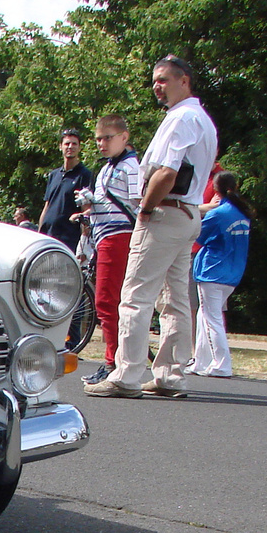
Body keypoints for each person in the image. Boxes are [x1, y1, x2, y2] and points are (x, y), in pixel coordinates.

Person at [85, 54, 217, 399]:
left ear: (183, 80)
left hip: (166, 213)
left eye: (164, 79)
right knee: (175, 300)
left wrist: (144, 208)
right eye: (155, 80)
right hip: (187, 214)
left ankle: (126, 374)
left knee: (135, 296)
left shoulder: (181, 118)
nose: (157, 86)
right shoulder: (202, 119)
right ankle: (171, 375)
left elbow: (167, 172)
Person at [75, 114, 141, 384]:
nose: (102, 144)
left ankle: (113, 361)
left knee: (106, 300)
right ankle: (115, 358)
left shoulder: (130, 166)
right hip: (104, 237)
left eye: (108, 138)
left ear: (124, 137)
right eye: (99, 139)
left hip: (118, 237)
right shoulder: (106, 169)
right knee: (108, 301)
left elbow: (138, 203)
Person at [190, 171, 253, 377]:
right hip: (233, 272)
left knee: (211, 318)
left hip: (212, 271)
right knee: (205, 314)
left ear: (215, 190)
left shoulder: (217, 214)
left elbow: (196, 235)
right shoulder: (242, 213)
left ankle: (221, 363)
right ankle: (201, 361)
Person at [38, 128, 93, 252]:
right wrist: (39, 232)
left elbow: (87, 211)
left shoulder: (85, 175)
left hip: (69, 240)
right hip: (48, 237)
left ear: (79, 148)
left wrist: (84, 246)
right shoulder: (54, 175)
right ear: (60, 146)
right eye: (67, 143)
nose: (70, 147)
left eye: (74, 144)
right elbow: (47, 206)